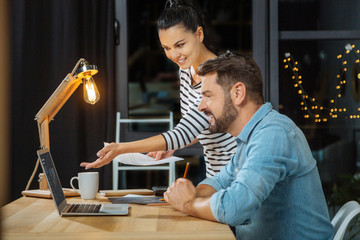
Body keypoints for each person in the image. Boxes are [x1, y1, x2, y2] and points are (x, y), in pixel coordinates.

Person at [163, 52, 334, 240]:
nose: (201, 107)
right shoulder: (251, 138)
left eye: (208, 96)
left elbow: (235, 208)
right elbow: (220, 182)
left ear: (238, 93)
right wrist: (191, 193)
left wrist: (188, 204)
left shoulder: (273, 135)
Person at [81, 0, 237, 177]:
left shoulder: (217, 76)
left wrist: (120, 148)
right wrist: (173, 145)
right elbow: (200, 126)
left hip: (236, 178)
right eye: (166, 48)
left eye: (180, 45)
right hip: (215, 178)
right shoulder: (186, 71)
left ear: (199, 34)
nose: (174, 55)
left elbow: (184, 132)